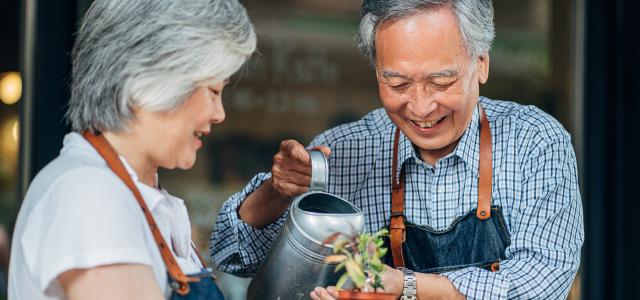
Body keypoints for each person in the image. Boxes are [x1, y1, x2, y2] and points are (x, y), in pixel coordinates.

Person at [211, 0, 584, 299]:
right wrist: (276, 193)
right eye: (398, 83)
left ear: (481, 63)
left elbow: (542, 282)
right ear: (376, 71)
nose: (420, 107)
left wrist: (406, 287)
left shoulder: (534, 140)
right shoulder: (345, 151)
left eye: (441, 81)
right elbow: (234, 256)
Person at [8, 0, 255, 299]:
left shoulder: (130, 194)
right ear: (149, 80)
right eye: (213, 91)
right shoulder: (88, 194)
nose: (219, 114)